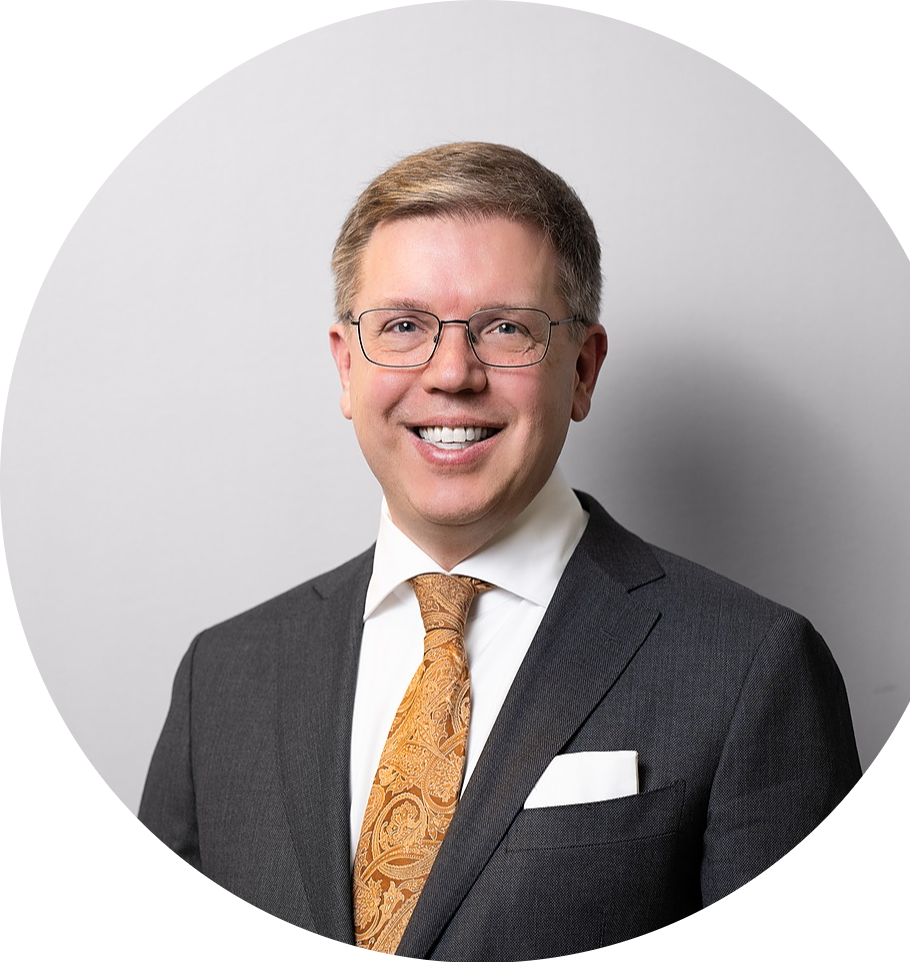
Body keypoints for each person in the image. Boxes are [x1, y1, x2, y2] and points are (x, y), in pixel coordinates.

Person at [139, 142, 861, 958]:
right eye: (403, 325)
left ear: (582, 370)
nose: (451, 373)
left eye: (505, 328)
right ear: (346, 369)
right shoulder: (222, 676)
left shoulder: (750, 666)